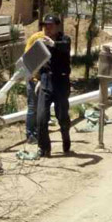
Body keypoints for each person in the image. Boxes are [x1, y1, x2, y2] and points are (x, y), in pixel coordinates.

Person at [36, 14, 72, 157]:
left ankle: (65, 138)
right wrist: (37, 79)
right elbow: (37, 61)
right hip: (46, 81)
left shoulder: (65, 40)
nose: (47, 29)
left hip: (61, 82)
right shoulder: (41, 42)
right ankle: (44, 148)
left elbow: (65, 48)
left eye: (50, 26)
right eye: (45, 26)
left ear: (57, 27)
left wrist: (53, 44)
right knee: (41, 117)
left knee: (62, 115)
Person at [23, 24, 46, 144]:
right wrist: (33, 77)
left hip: (44, 79)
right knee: (33, 107)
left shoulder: (53, 40)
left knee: (40, 108)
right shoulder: (36, 38)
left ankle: (37, 132)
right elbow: (27, 58)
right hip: (33, 78)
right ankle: (30, 134)